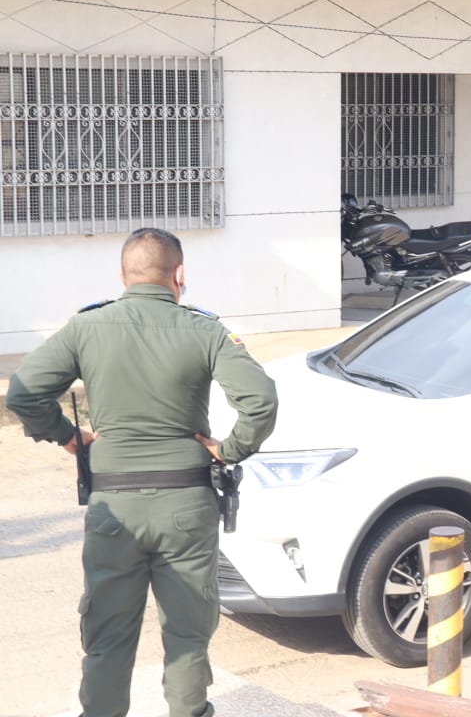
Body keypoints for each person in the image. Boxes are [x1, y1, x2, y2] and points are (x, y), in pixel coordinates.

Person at [4, 228, 279, 717]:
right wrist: (229, 449)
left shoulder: (87, 327)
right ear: (179, 276)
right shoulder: (206, 330)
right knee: (188, 637)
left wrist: (70, 436)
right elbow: (260, 401)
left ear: (123, 276)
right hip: (187, 508)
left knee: (108, 638)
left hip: (114, 510)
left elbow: (23, 394)